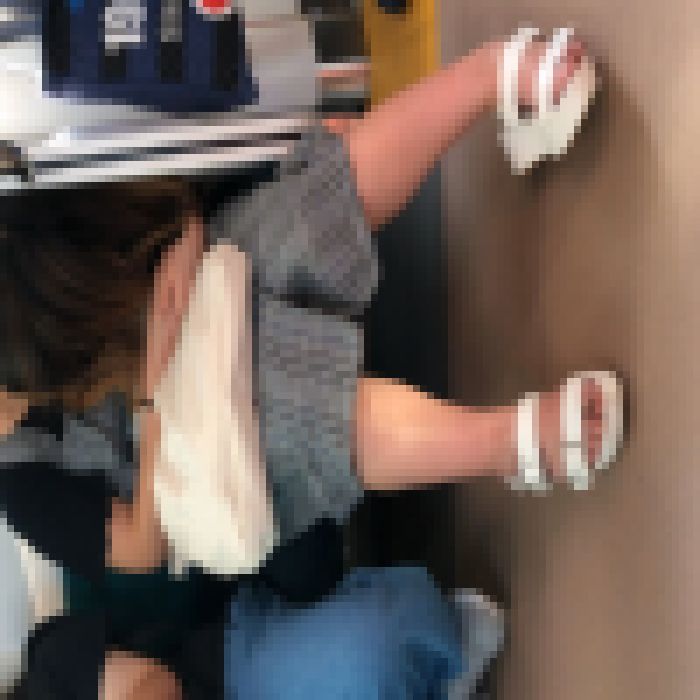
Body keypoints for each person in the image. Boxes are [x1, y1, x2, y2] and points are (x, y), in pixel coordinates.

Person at [0, 19, 622, 700]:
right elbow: (143, 547)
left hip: (196, 286)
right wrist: (152, 397)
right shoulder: (23, 485)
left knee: (293, 223)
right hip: (188, 443)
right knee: (283, 416)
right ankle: (508, 440)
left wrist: (181, 238)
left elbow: (141, 205)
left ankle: (497, 72)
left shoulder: (18, 246)